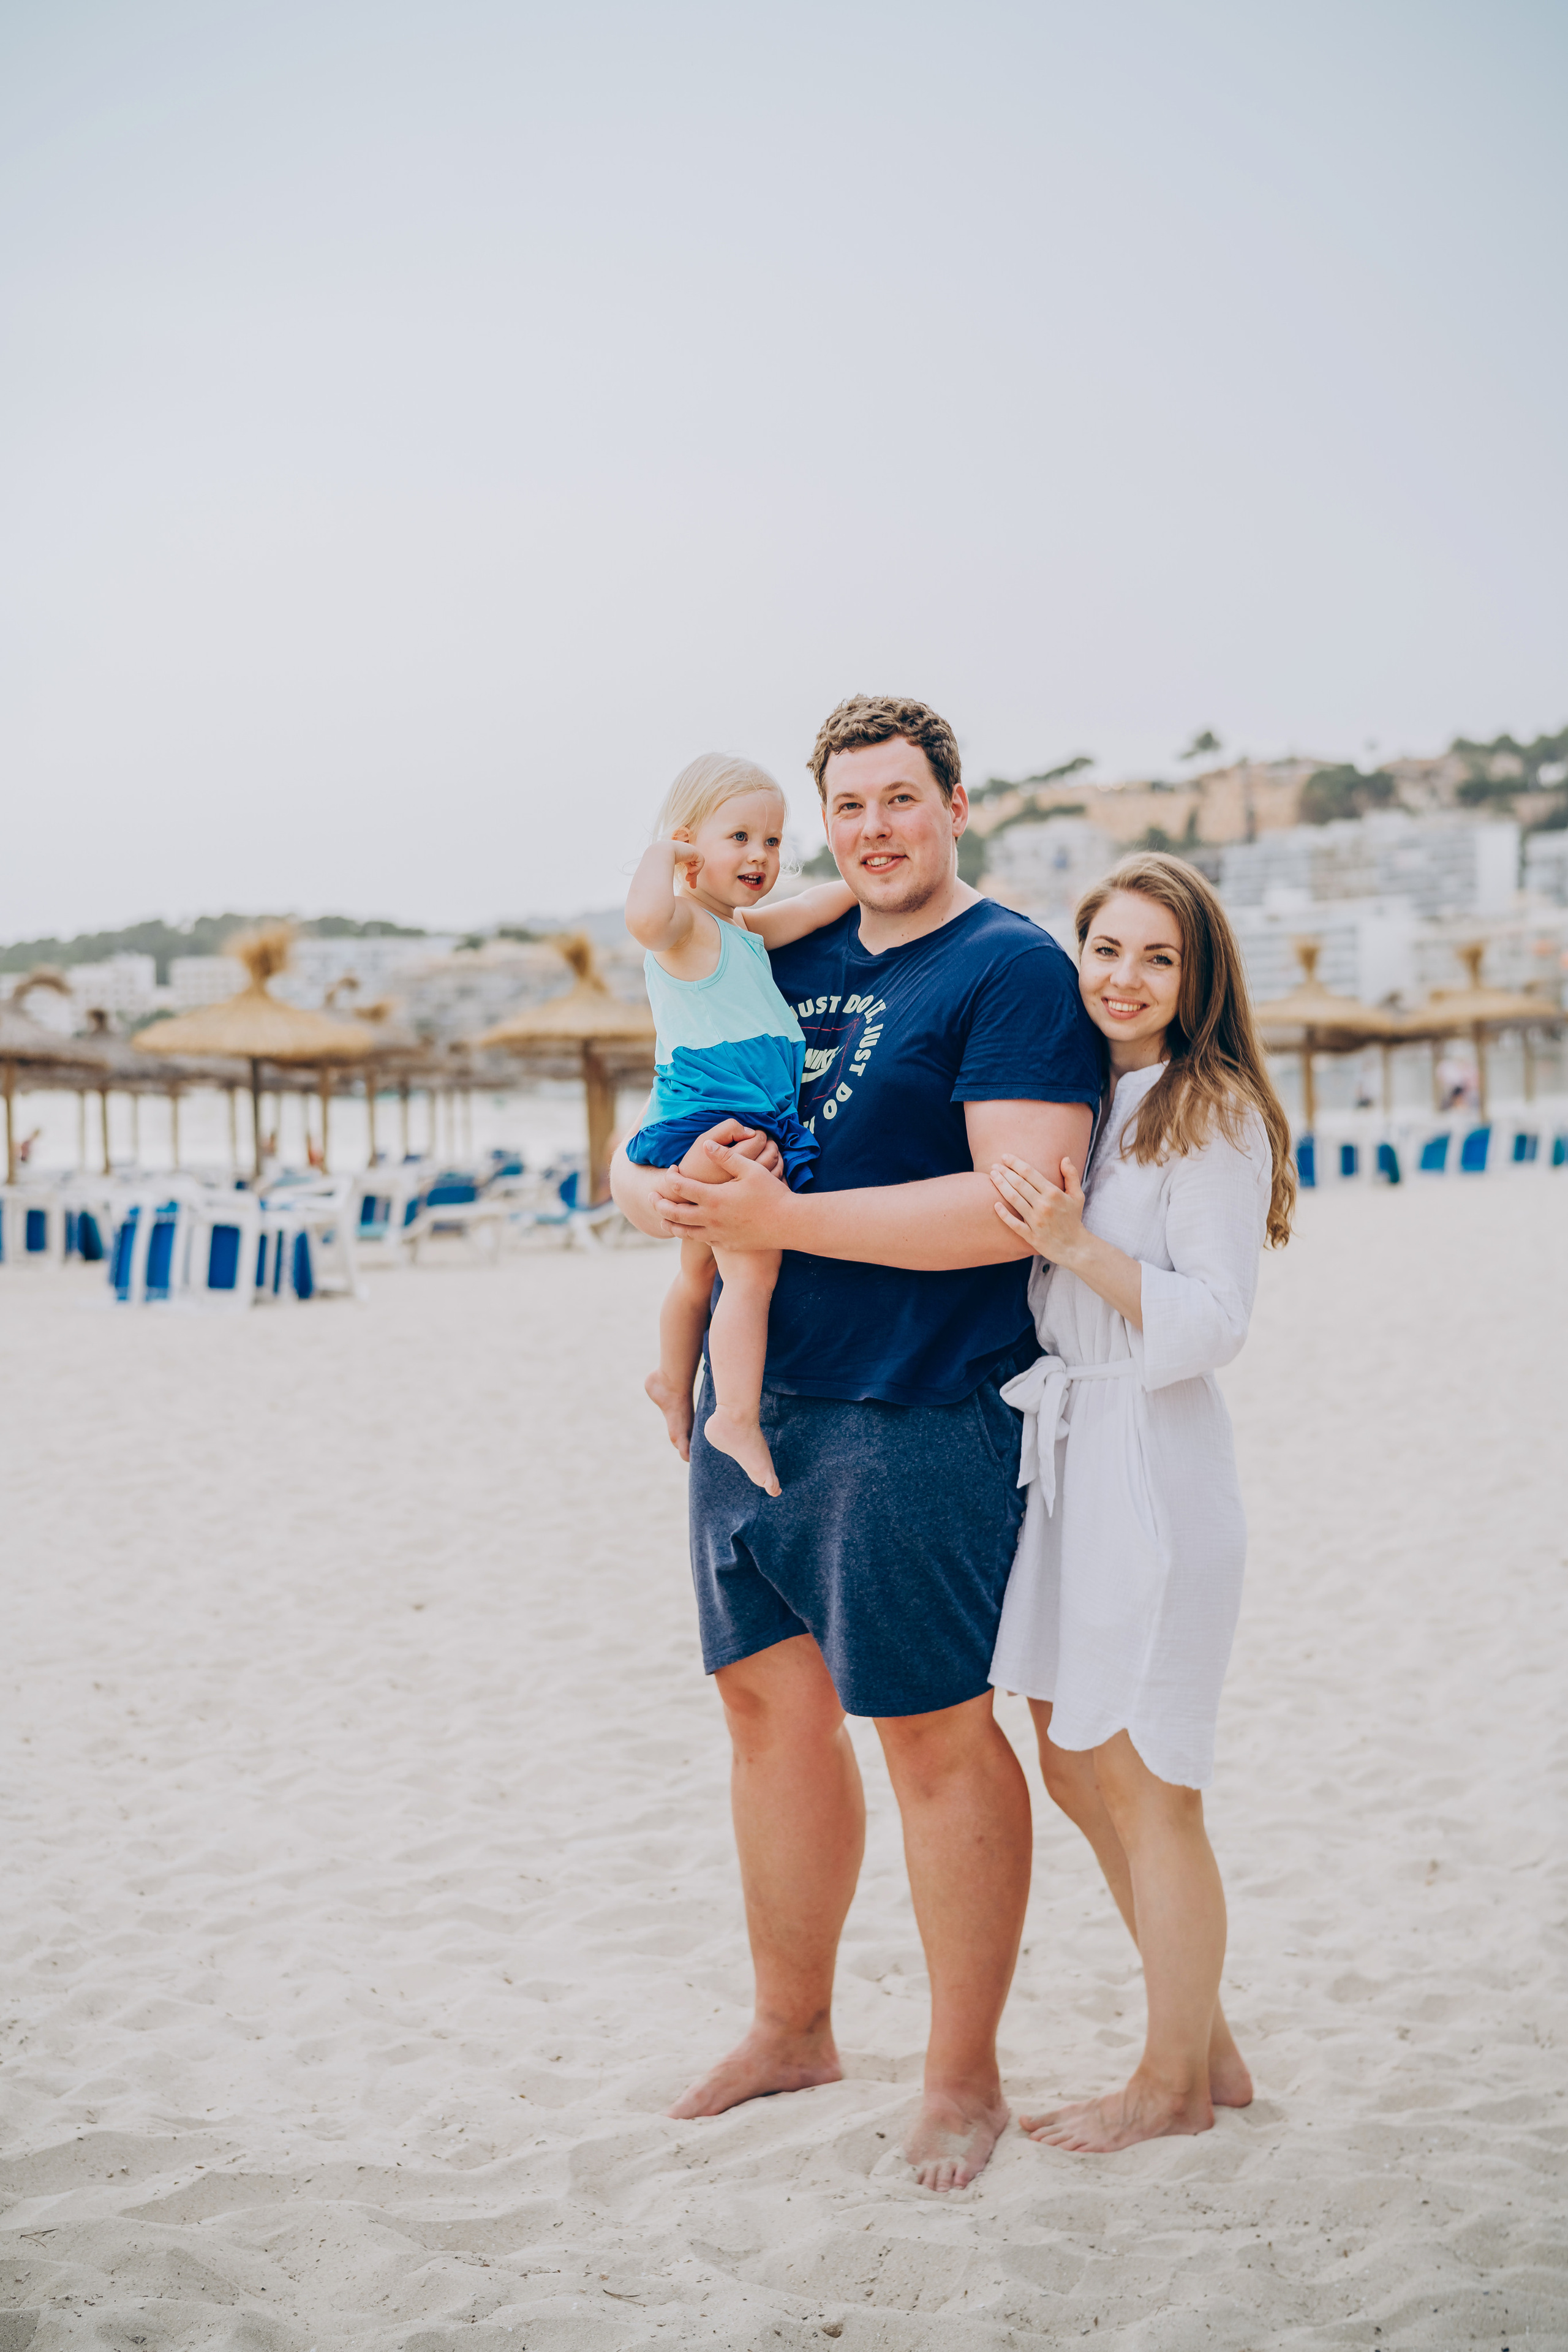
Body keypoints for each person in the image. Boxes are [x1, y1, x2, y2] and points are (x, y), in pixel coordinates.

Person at [612, 695, 1101, 2191]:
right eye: (850, 805)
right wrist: (665, 1200)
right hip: (751, 1396)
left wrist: (781, 1220)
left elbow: (1015, 1200)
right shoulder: (775, 942)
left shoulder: (1007, 967)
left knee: (931, 1734)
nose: (872, 828)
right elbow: (649, 1142)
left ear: (957, 805)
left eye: (901, 798)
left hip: (917, 1399)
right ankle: (791, 2023)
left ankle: (962, 2073)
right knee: (766, 1716)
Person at [984, 852, 1296, 2153]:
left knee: (1151, 1777)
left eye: (1154, 957)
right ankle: (1206, 2045)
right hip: (1069, 1456)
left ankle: (1169, 2085)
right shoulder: (1088, 1097)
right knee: (1066, 1748)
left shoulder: (1205, 1110)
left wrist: (1076, 1250)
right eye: (1103, 949)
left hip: (1151, 1465)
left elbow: (1217, 1319)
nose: (1122, 977)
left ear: (1195, 977)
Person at [624, 753, 854, 1494]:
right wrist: (665, 855)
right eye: (740, 838)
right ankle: (736, 1414)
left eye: (773, 841)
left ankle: (670, 1376)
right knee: (750, 1270)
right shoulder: (684, 924)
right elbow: (643, 917)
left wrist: (863, 880)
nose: (760, 855)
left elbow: (815, 907)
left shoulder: (744, 931)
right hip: (711, 1121)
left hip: (753, 1118)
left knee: (698, 1269)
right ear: (694, 846)